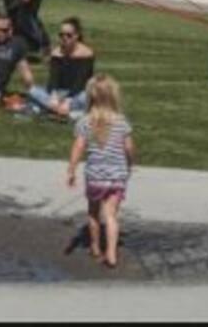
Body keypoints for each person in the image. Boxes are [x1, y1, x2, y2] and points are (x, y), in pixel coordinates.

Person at [66, 74, 135, 269]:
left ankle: (96, 247)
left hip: (95, 176)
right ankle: (111, 253)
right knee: (111, 215)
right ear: (114, 96)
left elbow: (78, 148)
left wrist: (71, 170)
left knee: (94, 212)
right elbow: (129, 148)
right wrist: (130, 164)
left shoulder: (85, 121)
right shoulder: (121, 122)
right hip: (116, 177)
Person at [26, 17, 95, 120]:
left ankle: (47, 110)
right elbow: (53, 80)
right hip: (59, 93)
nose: (64, 38)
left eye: (68, 35)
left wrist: (68, 100)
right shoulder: (56, 53)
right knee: (33, 91)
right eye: (61, 35)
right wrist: (54, 96)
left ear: (76, 35)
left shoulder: (87, 54)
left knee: (86, 97)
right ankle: (68, 113)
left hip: (77, 94)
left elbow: (80, 82)